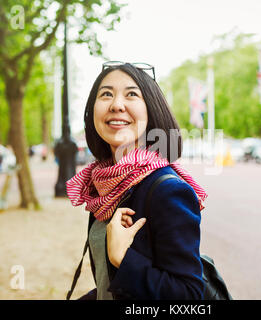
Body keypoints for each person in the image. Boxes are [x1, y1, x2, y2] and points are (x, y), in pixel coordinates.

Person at [66, 62, 208, 300]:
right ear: (92, 113)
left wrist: (123, 258)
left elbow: (189, 296)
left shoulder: (168, 191)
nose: (116, 105)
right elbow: (108, 284)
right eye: (106, 94)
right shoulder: (103, 189)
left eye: (131, 94)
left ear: (151, 110)